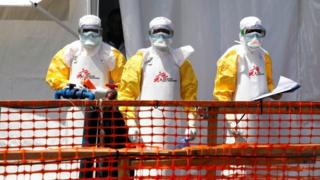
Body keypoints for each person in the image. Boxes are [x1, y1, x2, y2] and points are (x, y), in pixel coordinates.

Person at [45, 14, 126, 178]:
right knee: (78, 151)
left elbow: (125, 81)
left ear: (101, 31)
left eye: (94, 31)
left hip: (104, 109)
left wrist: (113, 92)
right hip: (78, 109)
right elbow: (54, 76)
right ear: (79, 31)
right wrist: (69, 88)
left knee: (104, 152)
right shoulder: (69, 51)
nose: (90, 34)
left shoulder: (112, 53)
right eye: (86, 31)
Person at [118, 16, 198, 177]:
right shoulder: (139, 61)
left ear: (172, 34)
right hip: (147, 125)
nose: (161, 36)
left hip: (175, 126)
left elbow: (190, 95)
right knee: (148, 167)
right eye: (157, 32)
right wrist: (132, 122)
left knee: (174, 167)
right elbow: (127, 94)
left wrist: (192, 122)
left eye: (165, 32)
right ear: (149, 34)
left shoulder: (181, 62)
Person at [213, 16, 281, 177]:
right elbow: (222, 92)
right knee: (236, 163)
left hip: (260, 119)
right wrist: (230, 120)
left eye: (259, 32)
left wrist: (277, 93)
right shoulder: (232, 55)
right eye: (250, 32)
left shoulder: (264, 56)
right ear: (242, 33)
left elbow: (268, 83)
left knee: (256, 162)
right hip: (239, 120)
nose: (255, 37)